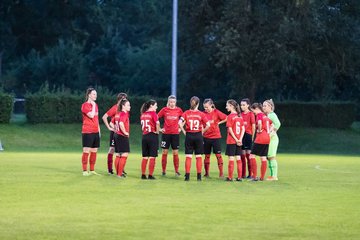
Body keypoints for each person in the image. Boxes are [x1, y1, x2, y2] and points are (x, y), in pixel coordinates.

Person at [179, 96, 210, 181]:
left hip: (189, 135)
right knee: (198, 156)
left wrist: (184, 131)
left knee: (188, 156)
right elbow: (208, 125)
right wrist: (202, 132)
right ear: (198, 104)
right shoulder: (201, 114)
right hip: (198, 136)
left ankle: (187, 176)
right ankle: (199, 177)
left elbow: (180, 123)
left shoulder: (186, 113)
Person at [102, 92, 128, 174]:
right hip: (116, 133)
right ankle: (110, 169)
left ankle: (121, 169)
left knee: (122, 151)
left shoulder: (124, 110)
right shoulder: (115, 108)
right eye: (123, 99)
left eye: (126, 99)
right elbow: (104, 117)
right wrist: (110, 128)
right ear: (119, 99)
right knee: (112, 149)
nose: (125, 100)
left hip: (122, 133)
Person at [158, 95, 183, 176]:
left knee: (175, 152)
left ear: (175, 102)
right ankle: (163, 170)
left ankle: (176, 171)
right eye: (171, 102)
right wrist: (159, 128)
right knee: (164, 152)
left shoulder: (179, 110)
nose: (172, 103)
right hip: (166, 134)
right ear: (168, 102)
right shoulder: (164, 110)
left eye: (173, 102)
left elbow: (184, 119)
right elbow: (156, 118)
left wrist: (180, 128)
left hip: (175, 134)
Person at [202, 98, 227, 178]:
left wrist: (219, 123)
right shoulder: (203, 114)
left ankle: (221, 173)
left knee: (218, 155)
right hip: (206, 137)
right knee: (207, 156)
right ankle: (206, 173)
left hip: (216, 137)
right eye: (204, 107)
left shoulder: (216, 112)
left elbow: (226, 118)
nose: (206, 109)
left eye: (207, 107)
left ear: (211, 105)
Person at [249, 103, 271, 181]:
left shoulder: (259, 115)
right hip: (267, 138)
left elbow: (259, 123)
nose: (253, 113)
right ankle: (262, 177)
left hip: (260, 138)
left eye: (253, 111)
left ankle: (254, 177)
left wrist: (259, 129)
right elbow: (271, 125)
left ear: (257, 109)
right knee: (263, 157)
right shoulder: (266, 116)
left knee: (251, 156)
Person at [81, 87, 100, 176]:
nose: (95, 96)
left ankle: (92, 170)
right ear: (89, 95)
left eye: (96, 94)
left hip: (95, 131)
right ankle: (85, 170)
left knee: (94, 151)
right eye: (93, 94)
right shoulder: (85, 105)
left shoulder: (95, 105)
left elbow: (96, 118)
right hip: (87, 131)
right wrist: (93, 105)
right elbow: (91, 116)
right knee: (86, 151)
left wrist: (99, 131)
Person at [225, 100, 245, 181]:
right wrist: (240, 139)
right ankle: (239, 177)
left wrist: (236, 139)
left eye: (227, 105)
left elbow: (230, 129)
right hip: (239, 141)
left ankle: (230, 177)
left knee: (231, 158)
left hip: (231, 141)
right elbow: (243, 129)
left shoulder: (230, 116)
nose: (226, 107)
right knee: (238, 158)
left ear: (231, 106)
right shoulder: (240, 116)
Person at [140, 100, 160, 180]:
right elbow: (157, 123)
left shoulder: (143, 114)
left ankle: (143, 175)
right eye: (155, 105)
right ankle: (150, 175)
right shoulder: (153, 114)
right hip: (152, 136)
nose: (157, 107)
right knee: (152, 157)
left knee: (145, 157)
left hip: (144, 136)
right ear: (151, 105)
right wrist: (157, 132)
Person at [111, 98, 131, 179]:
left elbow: (111, 123)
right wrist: (125, 132)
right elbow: (121, 123)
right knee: (124, 154)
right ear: (123, 106)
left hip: (116, 135)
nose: (130, 106)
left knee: (118, 155)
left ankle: (118, 173)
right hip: (122, 136)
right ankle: (119, 174)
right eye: (128, 105)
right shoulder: (124, 114)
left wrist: (116, 130)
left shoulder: (118, 114)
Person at [263, 99, 281, 181]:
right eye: (263, 106)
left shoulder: (272, 114)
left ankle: (274, 176)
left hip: (273, 139)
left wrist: (273, 132)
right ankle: (272, 175)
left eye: (265, 106)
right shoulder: (267, 115)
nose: (263, 107)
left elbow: (278, 123)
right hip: (269, 138)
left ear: (270, 106)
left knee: (272, 157)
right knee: (269, 157)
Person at [240, 98, 256, 178]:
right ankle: (243, 174)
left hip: (248, 135)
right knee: (242, 155)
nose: (242, 106)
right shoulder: (241, 114)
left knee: (248, 155)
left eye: (244, 105)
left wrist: (252, 136)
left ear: (248, 105)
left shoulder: (251, 114)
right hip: (241, 136)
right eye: (241, 105)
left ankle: (251, 174)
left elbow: (253, 126)